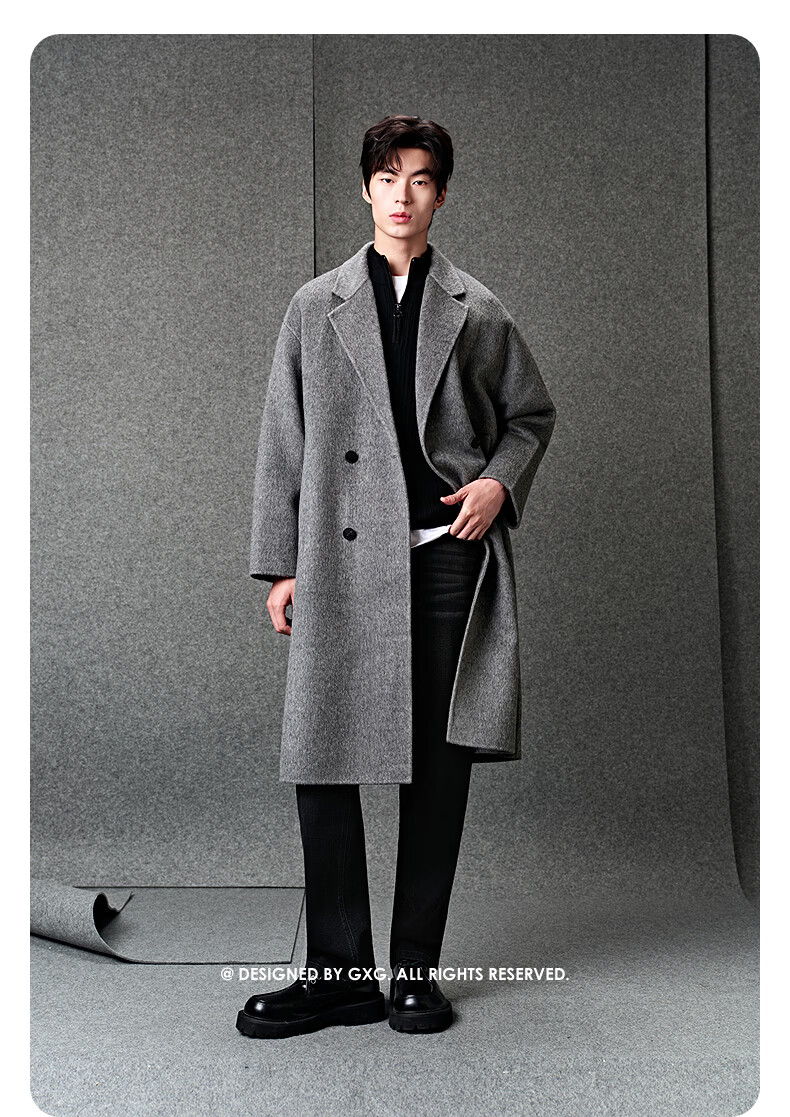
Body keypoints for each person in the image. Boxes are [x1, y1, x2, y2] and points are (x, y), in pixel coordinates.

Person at [236, 115, 556, 1039]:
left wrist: (498, 482)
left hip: (446, 556)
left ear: (441, 194)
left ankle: (415, 972)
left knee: (438, 770)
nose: (402, 194)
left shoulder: (477, 307)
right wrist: (281, 564)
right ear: (367, 189)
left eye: (420, 178)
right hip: (340, 560)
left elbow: (530, 416)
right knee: (323, 759)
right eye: (387, 177)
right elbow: (284, 438)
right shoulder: (315, 305)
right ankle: (339, 974)